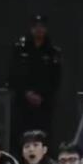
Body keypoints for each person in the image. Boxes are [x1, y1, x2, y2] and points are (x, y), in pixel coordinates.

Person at [8, 14, 61, 155]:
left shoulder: (52, 51)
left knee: (43, 134)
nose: (39, 29)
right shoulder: (20, 49)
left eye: (41, 26)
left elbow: (55, 79)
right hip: (22, 101)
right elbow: (13, 74)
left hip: (43, 103)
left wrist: (42, 96)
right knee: (19, 133)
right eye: (36, 26)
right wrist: (26, 93)